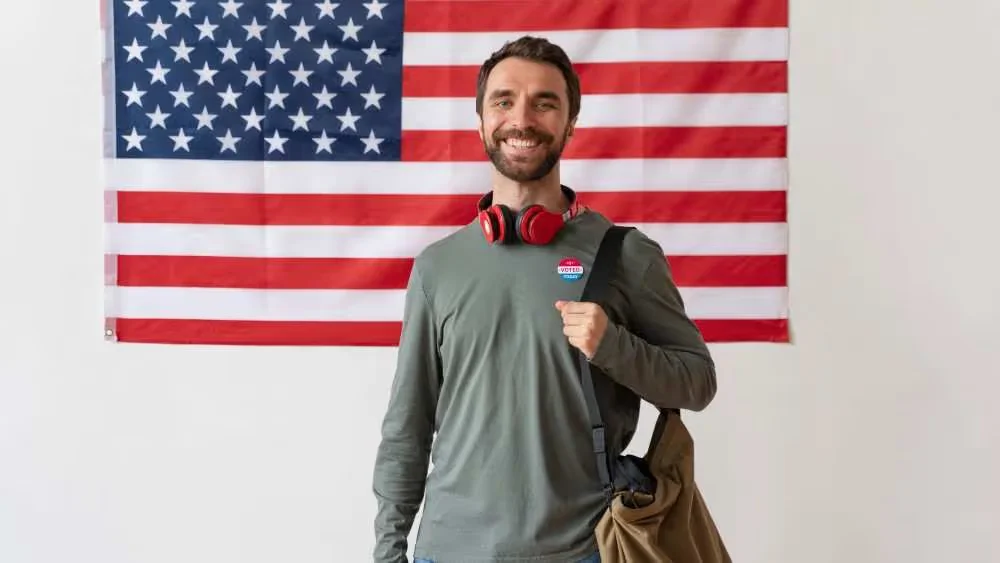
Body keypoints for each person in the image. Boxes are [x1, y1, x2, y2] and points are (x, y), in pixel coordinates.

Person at [371, 35, 718, 563]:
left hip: (585, 550)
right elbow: (407, 427)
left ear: (570, 123)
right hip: (449, 550)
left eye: (545, 102)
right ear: (482, 121)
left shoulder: (624, 254)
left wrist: (613, 346)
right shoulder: (437, 267)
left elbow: (697, 383)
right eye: (504, 101)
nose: (522, 118)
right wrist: (389, 550)